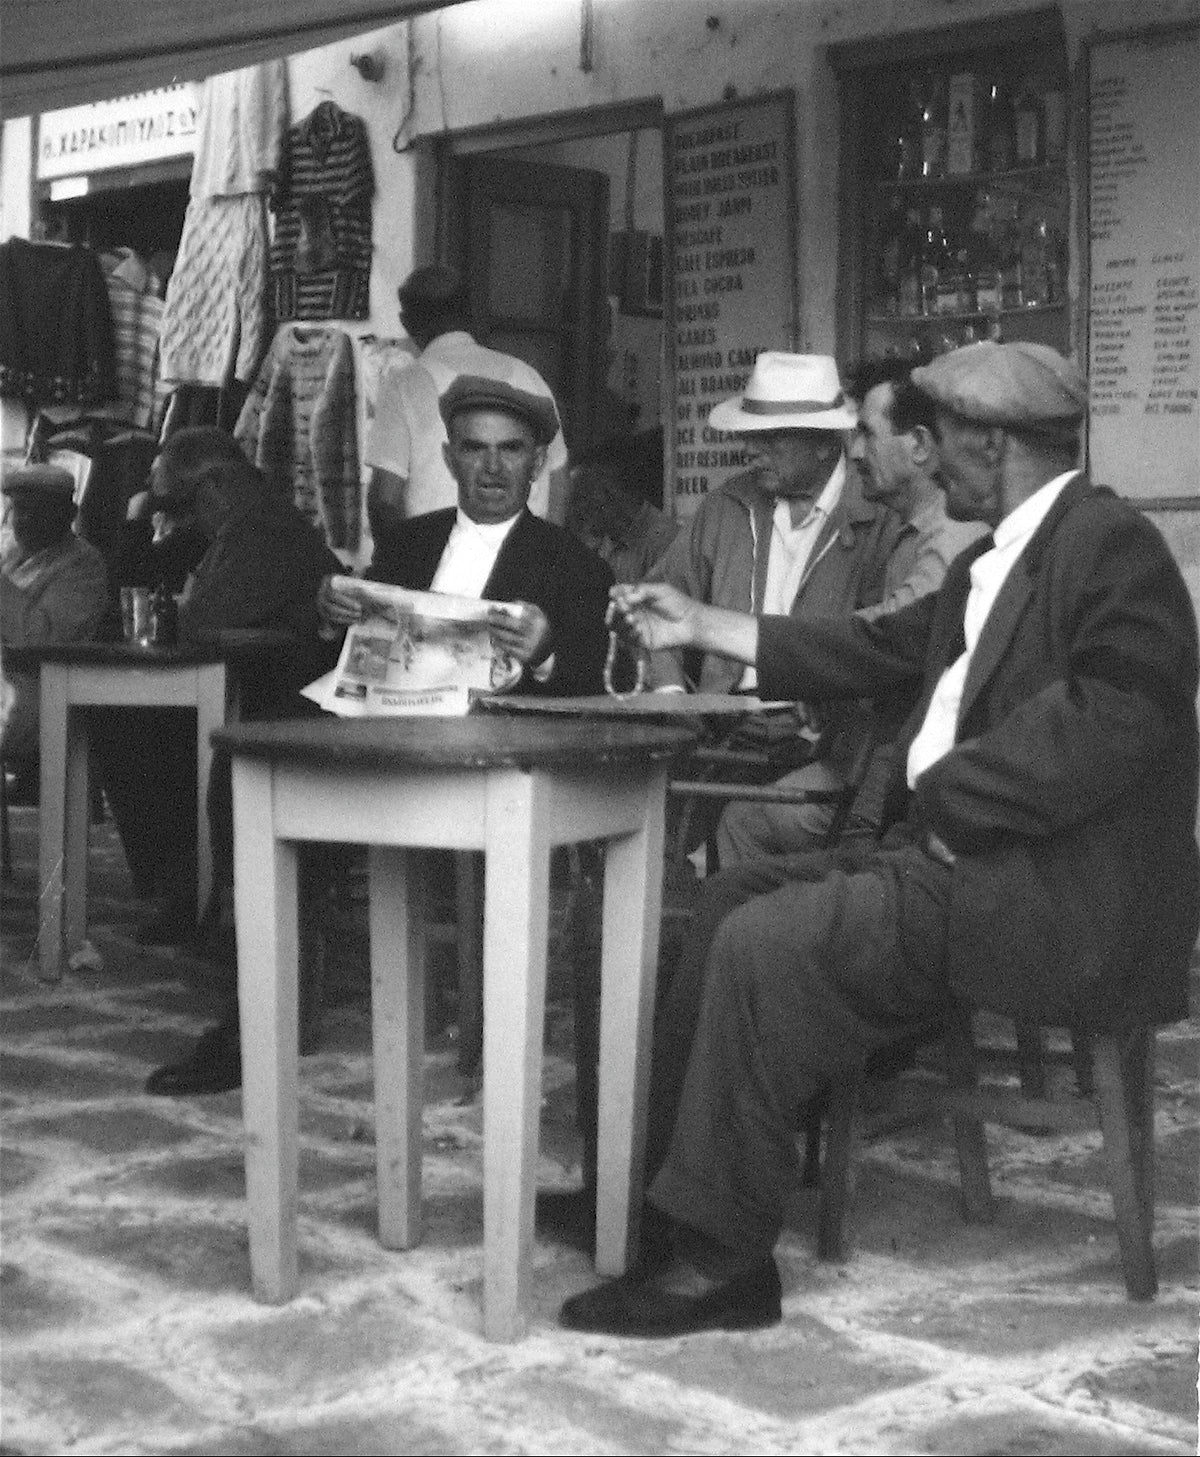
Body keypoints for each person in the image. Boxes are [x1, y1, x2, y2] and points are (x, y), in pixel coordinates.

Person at [559, 340, 1199, 1338]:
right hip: (950, 859)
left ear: (988, 443)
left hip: (1032, 889)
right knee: (727, 900)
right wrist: (700, 621)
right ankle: (664, 1205)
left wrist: (949, 801)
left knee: (767, 944)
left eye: (937, 439)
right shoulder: (996, 557)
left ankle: (725, 1265)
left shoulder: (1109, 543)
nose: (926, 462)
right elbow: (868, 646)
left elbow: (1124, 712)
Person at [715, 355, 989, 865]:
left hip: (894, 776)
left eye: (866, 433)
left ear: (921, 446)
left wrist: (712, 628)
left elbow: (890, 639)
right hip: (857, 755)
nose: (855, 450)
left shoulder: (947, 540)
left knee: (747, 829)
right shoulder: (907, 531)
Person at [646, 351, 906, 864]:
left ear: (822, 441)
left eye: (771, 437)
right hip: (720, 732)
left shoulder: (879, 517)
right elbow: (654, 605)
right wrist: (674, 697)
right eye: (750, 434)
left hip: (821, 740)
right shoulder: (727, 507)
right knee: (650, 835)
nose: (752, 449)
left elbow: (884, 652)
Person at [94, 427, 341, 948]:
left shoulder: (262, 530)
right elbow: (135, 589)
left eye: (183, 503)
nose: (181, 517)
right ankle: (184, 890)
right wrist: (144, 522)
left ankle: (188, 894)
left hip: (292, 705)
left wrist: (179, 604)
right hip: (258, 691)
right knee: (125, 720)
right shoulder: (242, 523)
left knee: (133, 728)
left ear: (212, 488)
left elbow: (198, 620)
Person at [323, 375, 613, 697]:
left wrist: (545, 655)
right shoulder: (403, 544)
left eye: (511, 449)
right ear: (450, 461)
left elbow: (600, 685)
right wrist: (334, 617)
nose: (492, 466)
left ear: (537, 463)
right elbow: (350, 661)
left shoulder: (577, 565)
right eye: (475, 448)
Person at [363, 265, 570, 548]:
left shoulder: (405, 385)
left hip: (439, 566)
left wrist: (405, 567)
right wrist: (545, 554)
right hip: (525, 563)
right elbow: (559, 480)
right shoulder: (529, 376)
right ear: (469, 315)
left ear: (406, 322)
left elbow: (384, 501)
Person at [0, 462, 109, 761]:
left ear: (69, 515)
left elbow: (44, 640)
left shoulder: (83, 565)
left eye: (39, 511)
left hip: (33, 693)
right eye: (19, 509)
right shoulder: (8, 552)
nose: (25, 520)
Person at [565, 435, 678, 584]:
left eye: (586, 501)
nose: (583, 515)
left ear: (610, 494)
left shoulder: (663, 541)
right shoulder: (609, 542)